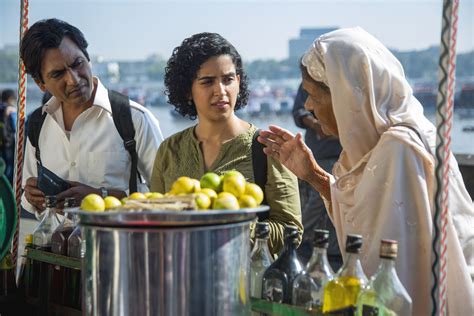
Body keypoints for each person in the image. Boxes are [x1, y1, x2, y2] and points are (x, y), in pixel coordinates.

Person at [258, 27, 474, 314]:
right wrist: (312, 174)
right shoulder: (387, 144)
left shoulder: (399, 150)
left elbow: (397, 275)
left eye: (313, 95)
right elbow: (366, 217)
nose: (308, 106)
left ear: (345, 97)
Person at [150, 32, 302, 255]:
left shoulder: (267, 147)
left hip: (246, 285)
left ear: (239, 83)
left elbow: (291, 231)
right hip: (181, 282)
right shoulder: (170, 150)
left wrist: (225, 231)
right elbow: (155, 221)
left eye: (228, 79)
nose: (220, 91)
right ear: (187, 90)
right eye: (207, 81)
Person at [20, 18, 163, 215]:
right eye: (58, 74)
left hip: (120, 245)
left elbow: (166, 196)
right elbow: (28, 199)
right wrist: (32, 196)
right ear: (40, 84)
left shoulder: (134, 119)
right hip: (56, 245)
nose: (73, 79)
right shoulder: (38, 124)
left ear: (88, 59)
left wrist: (101, 196)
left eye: (77, 63)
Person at [292, 83, 343, 270]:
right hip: (318, 153)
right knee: (317, 197)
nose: (310, 104)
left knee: (326, 198)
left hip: (340, 155)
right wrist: (316, 124)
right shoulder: (309, 81)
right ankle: (301, 235)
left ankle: (300, 234)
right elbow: (299, 111)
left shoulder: (341, 79)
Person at [0, 89, 17, 184]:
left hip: (1, 141)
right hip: (8, 142)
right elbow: (16, 127)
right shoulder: (11, 110)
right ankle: (8, 185)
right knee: (9, 165)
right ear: (10, 99)